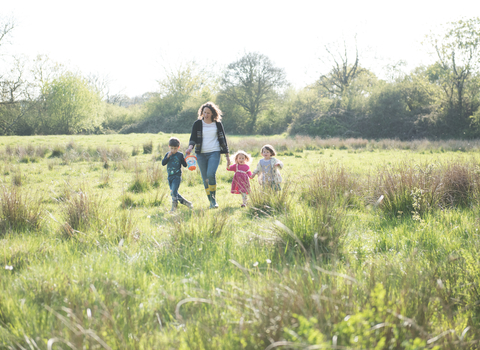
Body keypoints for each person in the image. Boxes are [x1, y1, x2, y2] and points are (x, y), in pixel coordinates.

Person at [186, 102, 230, 209]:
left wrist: (227, 156)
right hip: (201, 154)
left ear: (213, 113)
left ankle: (214, 199)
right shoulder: (197, 124)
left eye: (208, 113)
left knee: (211, 174)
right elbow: (193, 138)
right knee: (205, 177)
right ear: (202, 112)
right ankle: (210, 201)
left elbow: (223, 140)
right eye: (204, 112)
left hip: (214, 152)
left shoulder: (217, 124)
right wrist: (190, 147)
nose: (206, 115)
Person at [161, 137, 193, 212]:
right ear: (169, 147)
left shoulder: (180, 155)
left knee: (173, 192)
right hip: (170, 177)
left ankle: (174, 207)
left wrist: (187, 158)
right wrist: (167, 157)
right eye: (172, 148)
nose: (173, 150)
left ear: (178, 147)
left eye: (175, 148)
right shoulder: (167, 154)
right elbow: (163, 163)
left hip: (177, 176)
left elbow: (184, 165)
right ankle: (187, 203)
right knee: (173, 192)